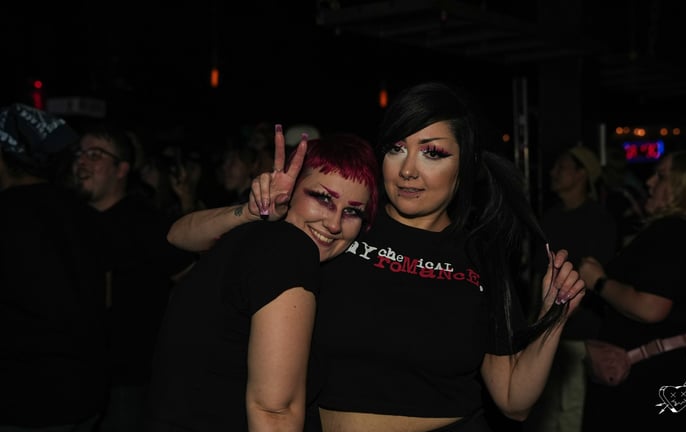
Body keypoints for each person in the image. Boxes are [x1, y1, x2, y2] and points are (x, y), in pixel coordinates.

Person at [166, 81, 585, 432]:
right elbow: (180, 238)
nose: (408, 170)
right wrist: (250, 212)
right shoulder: (346, 223)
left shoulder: (480, 255)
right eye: (397, 148)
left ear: (466, 165)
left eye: (432, 153)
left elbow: (513, 400)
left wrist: (554, 315)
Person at [147, 131, 379, 432]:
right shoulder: (290, 248)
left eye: (352, 211)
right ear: (290, 193)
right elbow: (274, 411)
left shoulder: (265, 243)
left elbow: (176, 235)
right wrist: (253, 210)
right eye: (323, 198)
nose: (334, 224)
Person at [578, 150, 686, 430]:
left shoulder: (673, 231)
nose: (650, 182)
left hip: (644, 390)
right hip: (677, 382)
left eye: (662, 176)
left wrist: (598, 281)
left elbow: (651, 307)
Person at [70, 122, 198, 432]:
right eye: (79, 153)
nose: (82, 161)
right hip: (72, 374)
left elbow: (191, 280)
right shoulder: (68, 219)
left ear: (121, 169)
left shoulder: (146, 224)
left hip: (127, 382)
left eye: (95, 155)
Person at [0, 104, 112, 431]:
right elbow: (105, 298)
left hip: (23, 400)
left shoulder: (7, 213)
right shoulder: (85, 213)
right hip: (84, 392)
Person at [523, 145, 617, 432]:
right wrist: (534, 320)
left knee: (571, 407)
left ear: (581, 174)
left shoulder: (599, 220)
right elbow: (539, 273)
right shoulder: (551, 217)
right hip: (547, 329)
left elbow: (597, 278)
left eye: (561, 167)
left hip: (580, 331)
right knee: (545, 408)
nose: (553, 172)